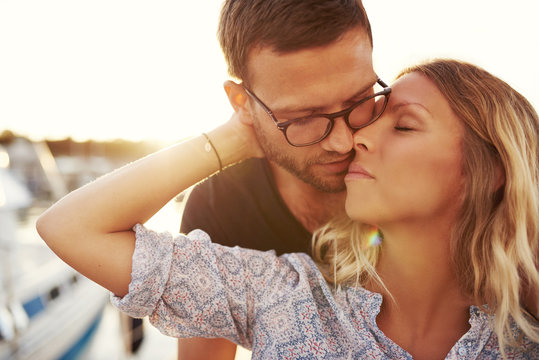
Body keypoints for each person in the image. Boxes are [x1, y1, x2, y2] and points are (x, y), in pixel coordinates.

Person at [36, 58, 538, 359]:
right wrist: (244, 131)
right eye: (374, 118)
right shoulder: (283, 297)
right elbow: (71, 227)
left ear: (490, 170)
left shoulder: (524, 340)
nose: (357, 135)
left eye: (403, 126)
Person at [179, 0, 375, 357]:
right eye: (302, 117)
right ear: (242, 102)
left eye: (360, 99)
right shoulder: (222, 207)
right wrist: (230, 141)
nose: (343, 141)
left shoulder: (413, 170)